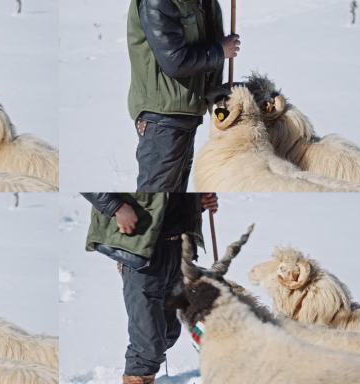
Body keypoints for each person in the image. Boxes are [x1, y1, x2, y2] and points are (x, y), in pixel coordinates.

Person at [82, 192, 219, 384]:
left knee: (168, 332)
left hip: (177, 247)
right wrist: (115, 207)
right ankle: (138, 377)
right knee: (147, 348)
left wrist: (198, 201)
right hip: (142, 249)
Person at [127, 0, 240, 192]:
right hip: (162, 118)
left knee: (175, 200)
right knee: (155, 196)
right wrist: (219, 51)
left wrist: (217, 96)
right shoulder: (157, 2)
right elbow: (174, 61)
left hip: (187, 115)